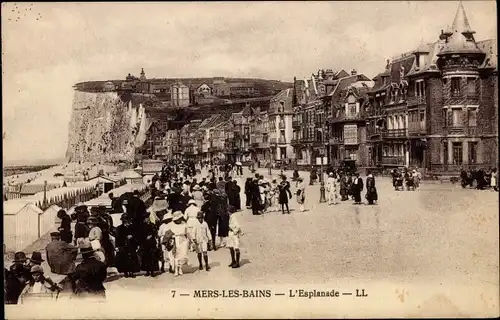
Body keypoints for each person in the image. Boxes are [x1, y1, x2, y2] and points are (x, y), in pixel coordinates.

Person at [170, 211, 190, 276]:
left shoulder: (184, 224)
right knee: (176, 255)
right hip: (176, 239)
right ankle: (176, 269)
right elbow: (170, 233)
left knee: (183, 255)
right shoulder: (172, 225)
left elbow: (187, 233)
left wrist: (189, 242)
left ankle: (180, 268)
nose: (178, 220)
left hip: (183, 240)